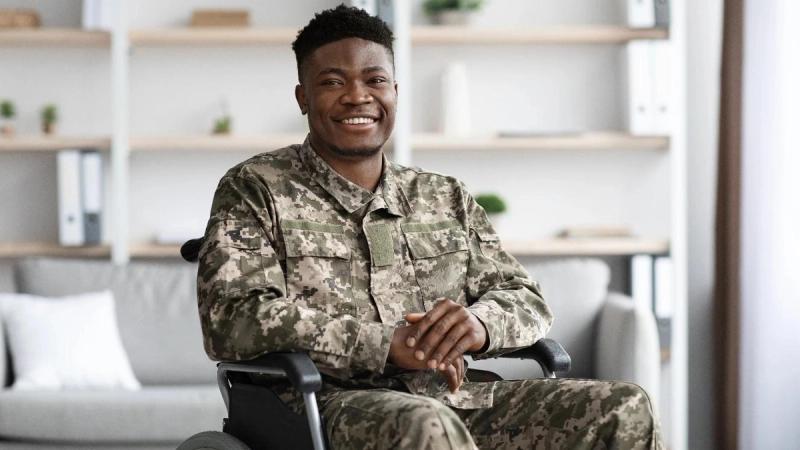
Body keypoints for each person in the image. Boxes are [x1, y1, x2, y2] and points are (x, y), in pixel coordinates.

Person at [197, 5, 662, 449]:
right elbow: (234, 318)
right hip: (324, 406)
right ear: (303, 97)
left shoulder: (444, 196)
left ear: (395, 92)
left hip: (451, 398)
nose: (357, 96)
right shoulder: (255, 188)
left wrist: (478, 325)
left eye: (375, 80)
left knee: (624, 407)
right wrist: (386, 345)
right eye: (333, 82)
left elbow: (525, 298)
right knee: (427, 425)